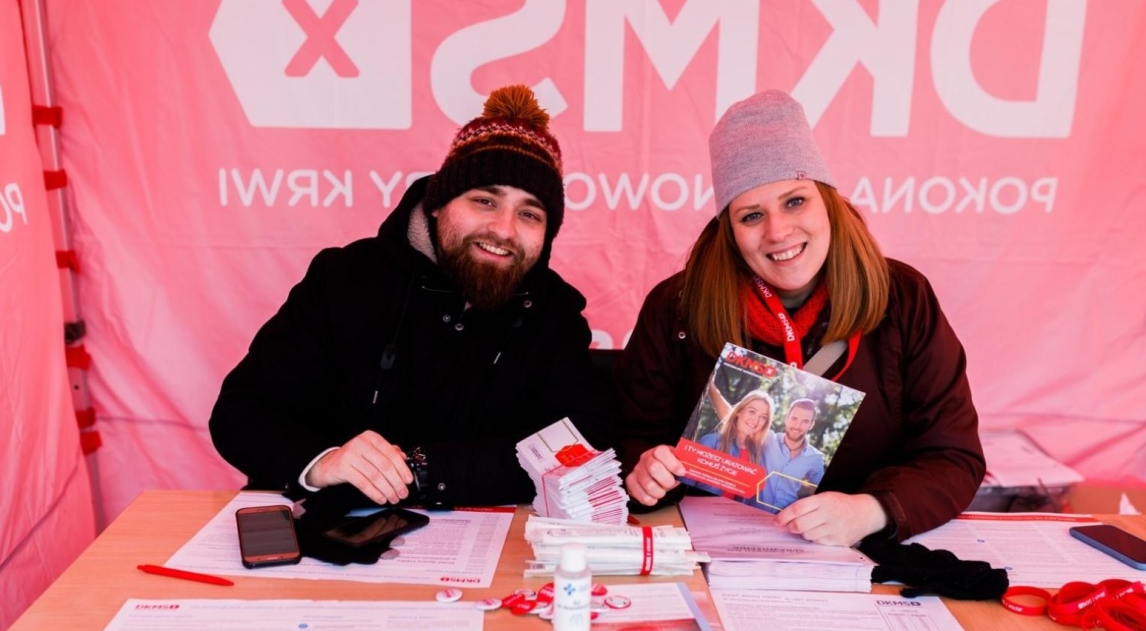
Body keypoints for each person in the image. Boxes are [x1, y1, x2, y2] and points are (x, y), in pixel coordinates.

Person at [210, 84, 614, 511]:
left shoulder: (555, 313)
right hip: (328, 540)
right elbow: (242, 412)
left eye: (529, 214)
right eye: (484, 200)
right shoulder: (345, 279)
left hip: (486, 554)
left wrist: (424, 469)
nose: (503, 229)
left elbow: (583, 440)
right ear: (438, 203)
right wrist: (324, 462)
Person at [614, 90, 984, 546]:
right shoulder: (678, 305)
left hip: (863, 560)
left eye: (794, 202)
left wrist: (870, 511)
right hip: (713, 554)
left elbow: (953, 456)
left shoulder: (903, 299)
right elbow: (632, 437)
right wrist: (644, 469)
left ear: (827, 202)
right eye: (752, 215)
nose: (778, 231)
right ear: (729, 232)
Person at [755, 399, 825, 511]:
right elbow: (738, 422)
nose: (797, 426)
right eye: (794, 418)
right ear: (786, 418)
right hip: (751, 510)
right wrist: (715, 391)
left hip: (784, 518)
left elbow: (820, 494)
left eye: (805, 421)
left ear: (811, 425)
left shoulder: (816, 458)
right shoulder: (767, 439)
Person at [696, 389, 773, 467]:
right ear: (738, 411)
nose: (756, 420)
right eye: (752, 411)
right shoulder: (711, 442)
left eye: (763, 417)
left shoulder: (758, 456)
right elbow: (688, 478)